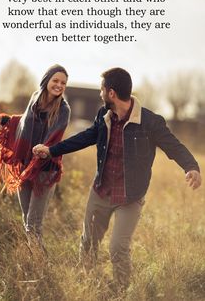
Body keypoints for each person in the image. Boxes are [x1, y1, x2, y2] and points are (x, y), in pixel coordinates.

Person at [33, 67, 201, 287]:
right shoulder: (103, 117)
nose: (100, 94)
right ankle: (88, 284)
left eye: (102, 89)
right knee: (88, 244)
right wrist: (51, 149)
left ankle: (121, 291)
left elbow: (173, 146)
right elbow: (85, 137)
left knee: (118, 248)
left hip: (130, 197)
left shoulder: (150, 122)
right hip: (101, 190)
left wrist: (191, 166)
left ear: (111, 92)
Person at [0, 64, 70, 247]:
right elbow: (25, 121)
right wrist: (8, 120)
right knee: (27, 220)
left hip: (45, 169)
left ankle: (40, 266)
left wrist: (43, 148)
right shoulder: (35, 98)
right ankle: (35, 262)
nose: (59, 85)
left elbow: (55, 135)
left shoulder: (64, 110)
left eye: (63, 83)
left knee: (33, 224)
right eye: (56, 80)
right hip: (24, 166)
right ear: (46, 80)